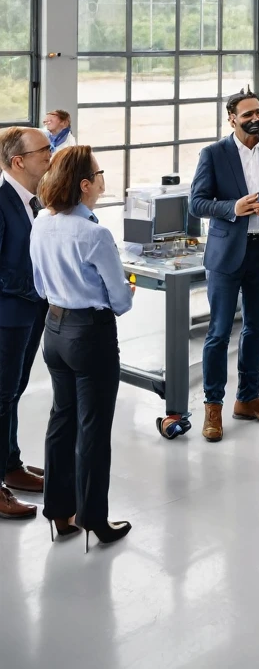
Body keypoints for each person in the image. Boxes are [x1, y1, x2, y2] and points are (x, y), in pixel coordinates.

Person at [30, 146, 133, 548]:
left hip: (54, 329)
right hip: (90, 334)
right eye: (99, 172)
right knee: (93, 429)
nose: (104, 178)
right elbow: (120, 302)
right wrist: (123, 291)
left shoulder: (41, 220)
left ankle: (59, 512)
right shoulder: (94, 233)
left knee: (62, 420)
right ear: (85, 185)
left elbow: (40, 284)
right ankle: (95, 518)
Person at [189, 88, 259, 443]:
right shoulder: (214, 154)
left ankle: (248, 398)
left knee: (256, 329)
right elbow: (197, 203)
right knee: (219, 332)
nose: (255, 119)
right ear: (232, 118)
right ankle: (213, 407)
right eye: (248, 114)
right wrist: (232, 208)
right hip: (226, 256)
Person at [0, 127, 53, 519]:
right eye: (44, 150)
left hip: (30, 314)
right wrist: (39, 289)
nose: (51, 156)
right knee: (0, 398)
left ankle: (11, 464)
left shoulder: (33, 201)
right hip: (8, 317)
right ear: (19, 161)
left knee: (13, 393)